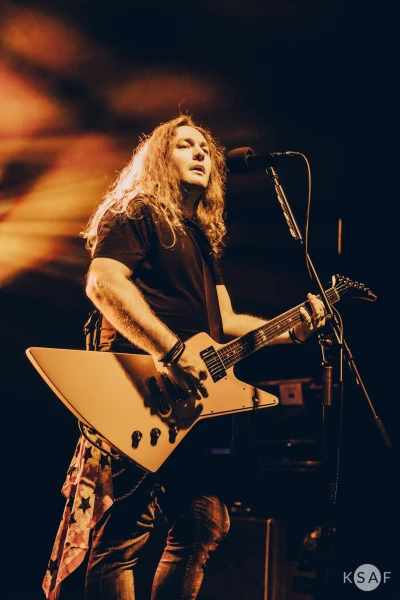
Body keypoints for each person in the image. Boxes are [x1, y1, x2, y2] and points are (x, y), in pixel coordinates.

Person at [42, 114, 327, 600]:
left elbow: (226, 320)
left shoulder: (198, 237)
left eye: (205, 148)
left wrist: (292, 328)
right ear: (159, 157)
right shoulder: (137, 210)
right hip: (140, 387)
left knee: (204, 521)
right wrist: (171, 350)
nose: (200, 153)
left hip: (184, 403)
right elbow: (103, 283)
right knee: (123, 537)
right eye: (184, 145)